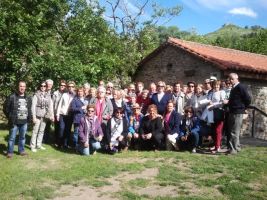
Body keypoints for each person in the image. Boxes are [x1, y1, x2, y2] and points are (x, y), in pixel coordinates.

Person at [224, 73, 251, 154]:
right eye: (230, 79)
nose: (230, 80)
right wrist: (228, 102)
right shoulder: (234, 88)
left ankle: (233, 150)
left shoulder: (240, 87)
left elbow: (248, 99)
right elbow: (234, 100)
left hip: (237, 112)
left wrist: (243, 108)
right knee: (233, 131)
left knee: (234, 131)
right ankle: (237, 147)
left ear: (237, 78)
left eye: (232, 79)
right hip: (232, 111)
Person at [4, 81, 32, 158]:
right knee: (12, 138)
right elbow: (5, 108)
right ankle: (10, 152)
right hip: (14, 122)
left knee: (22, 137)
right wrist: (10, 116)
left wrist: (29, 118)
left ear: (25, 88)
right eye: (20, 86)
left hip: (24, 122)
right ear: (18, 87)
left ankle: (21, 151)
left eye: (23, 86)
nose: (22, 88)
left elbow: (29, 109)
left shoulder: (28, 98)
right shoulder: (12, 97)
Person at [30, 82, 54, 152]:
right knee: (35, 131)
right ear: (39, 86)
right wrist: (33, 117)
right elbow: (33, 107)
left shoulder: (48, 95)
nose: (43, 87)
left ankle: (39, 145)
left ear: (46, 87)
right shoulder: (36, 95)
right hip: (37, 116)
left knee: (41, 131)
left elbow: (50, 106)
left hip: (45, 116)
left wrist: (51, 115)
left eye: (44, 86)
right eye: (41, 86)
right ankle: (32, 146)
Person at [56, 81, 76, 148]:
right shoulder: (64, 95)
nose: (70, 88)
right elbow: (59, 105)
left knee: (68, 130)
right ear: (67, 87)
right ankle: (59, 143)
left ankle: (65, 144)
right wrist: (57, 114)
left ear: (74, 88)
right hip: (62, 114)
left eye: (72, 87)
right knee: (61, 128)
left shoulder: (75, 96)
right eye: (69, 86)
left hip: (70, 115)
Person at [52, 80, 67, 146]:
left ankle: (62, 141)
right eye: (61, 85)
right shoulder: (55, 93)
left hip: (63, 113)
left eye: (64, 86)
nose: (62, 87)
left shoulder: (66, 93)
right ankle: (56, 141)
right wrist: (52, 114)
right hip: (55, 112)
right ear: (59, 86)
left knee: (62, 128)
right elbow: (52, 104)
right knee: (57, 128)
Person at [43, 79, 54, 143]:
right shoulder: (43, 91)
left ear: (52, 85)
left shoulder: (53, 93)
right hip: (42, 112)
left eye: (50, 84)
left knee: (47, 127)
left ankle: (46, 139)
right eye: (48, 84)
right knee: (42, 126)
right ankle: (41, 139)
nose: (49, 85)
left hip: (50, 112)